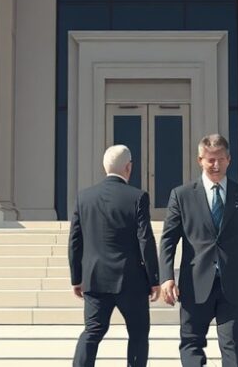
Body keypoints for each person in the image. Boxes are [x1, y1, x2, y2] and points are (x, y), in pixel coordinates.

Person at [160, 133, 238, 367]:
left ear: (229, 159)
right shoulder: (181, 196)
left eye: (221, 159)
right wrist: (166, 277)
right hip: (195, 283)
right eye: (210, 160)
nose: (216, 165)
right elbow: (168, 240)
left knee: (233, 346)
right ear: (200, 160)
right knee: (191, 343)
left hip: (234, 284)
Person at [69, 144, 161, 367]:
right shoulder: (138, 197)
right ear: (129, 167)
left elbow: (74, 242)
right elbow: (145, 240)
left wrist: (76, 277)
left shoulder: (84, 197)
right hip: (132, 281)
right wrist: (154, 279)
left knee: (92, 333)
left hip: (95, 279)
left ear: (104, 166)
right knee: (138, 335)